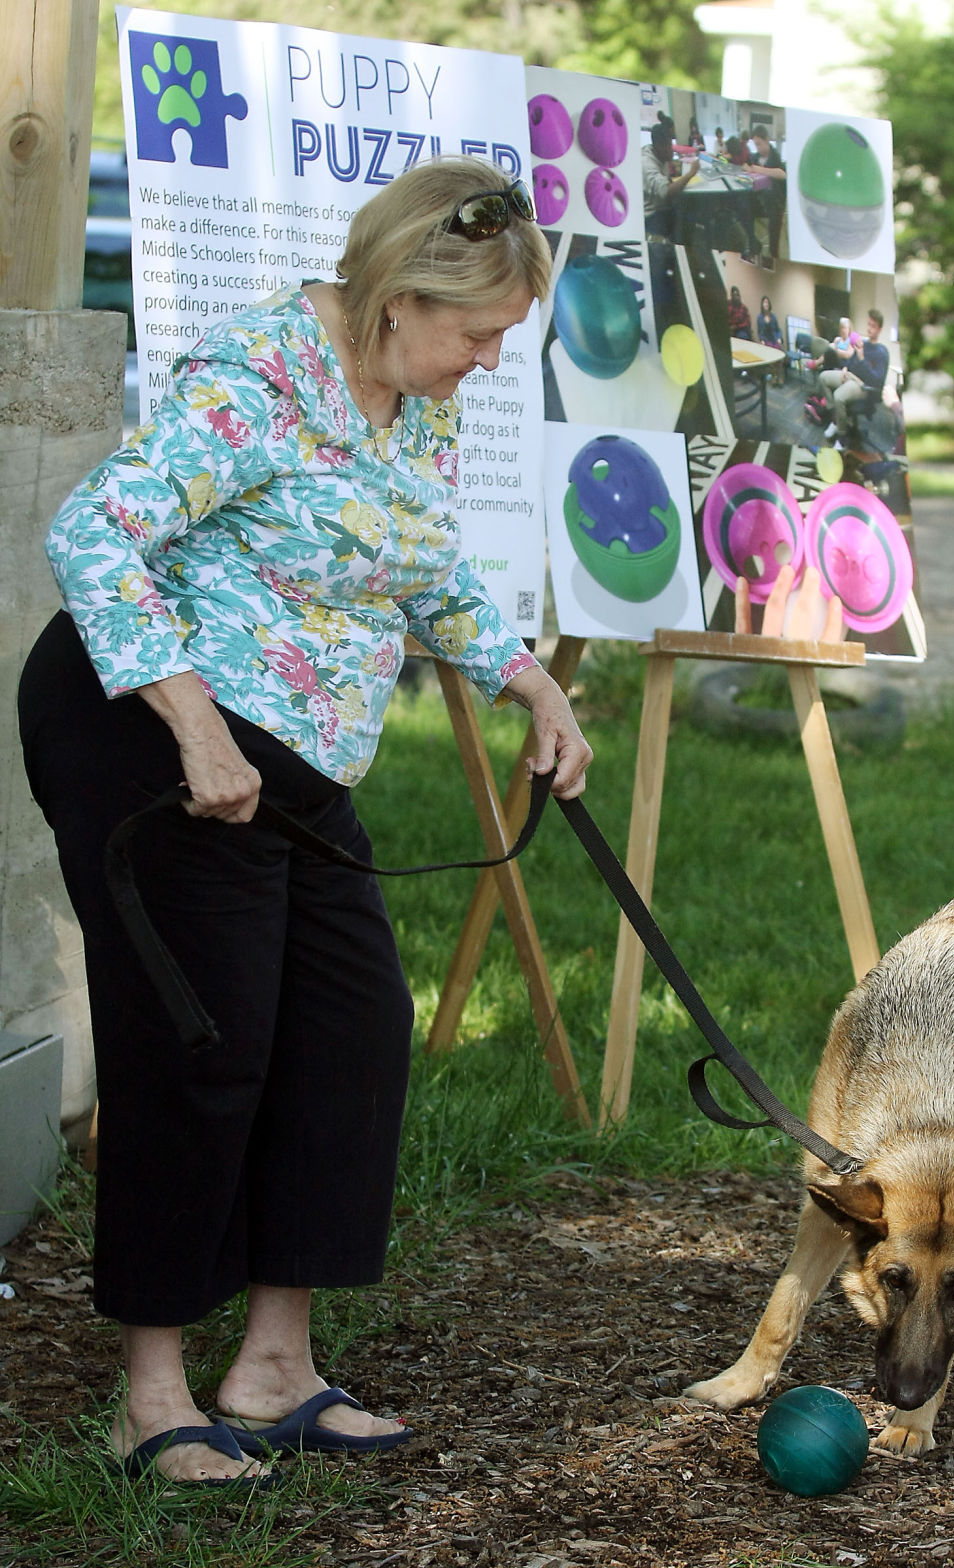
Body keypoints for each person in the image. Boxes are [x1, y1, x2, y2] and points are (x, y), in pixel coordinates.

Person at [17, 157, 593, 1487]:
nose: (489, 362)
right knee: (202, 1046)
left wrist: (529, 679)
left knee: (349, 1031)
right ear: (399, 296)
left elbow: (423, 561)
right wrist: (195, 727)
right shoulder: (258, 377)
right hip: (152, 728)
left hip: (287, 752)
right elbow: (95, 533)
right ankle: (152, 1393)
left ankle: (274, 1368)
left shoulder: (415, 400)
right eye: (478, 333)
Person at [814, 307, 891, 445]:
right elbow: (852, 359)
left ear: (879, 329)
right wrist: (846, 367)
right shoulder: (863, 343)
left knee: (838, 396)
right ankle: (835, 419)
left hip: (863, 385)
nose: (869, 329)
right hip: (849, 375)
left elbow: (877, 381)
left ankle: (842, 436)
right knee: (823, 377)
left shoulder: (881, 352)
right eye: (868, 324)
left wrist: (862, 360)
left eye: (873, 326)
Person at [641, 121, 697, 241]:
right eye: (669, 145)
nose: (672, 149)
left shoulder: (659, 154)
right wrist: (690, 174)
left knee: (691, 209)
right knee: (689, 219)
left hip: (661, 205)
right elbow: (666, 192)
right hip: (652, 214)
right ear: (659, 146)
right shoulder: (647, 164)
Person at [747, 126, 788, 263]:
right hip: (760, 199)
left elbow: (782, 174)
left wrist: (760, 169)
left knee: (774, 239)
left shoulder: (775, 156)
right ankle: (754, 246)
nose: (757, 148)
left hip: (775, 202)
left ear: (767, 140)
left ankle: (773, 256)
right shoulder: (755, 157)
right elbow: (748, 167)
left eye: (759, 144)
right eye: (755, 145)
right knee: (744, 208)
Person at [756, 295, 784, 383]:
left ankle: (779, 376)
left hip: (774, 340)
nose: (766, 304)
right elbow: (760, 332)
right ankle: (773, 376)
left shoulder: (773, 316)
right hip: (766, 341)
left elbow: (778, 329)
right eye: (764, 302)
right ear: (762, 304)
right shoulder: (759, 317)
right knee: (771, 357)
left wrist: (779, 338)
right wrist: (762, 340)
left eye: (767, 302)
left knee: (779, 356)